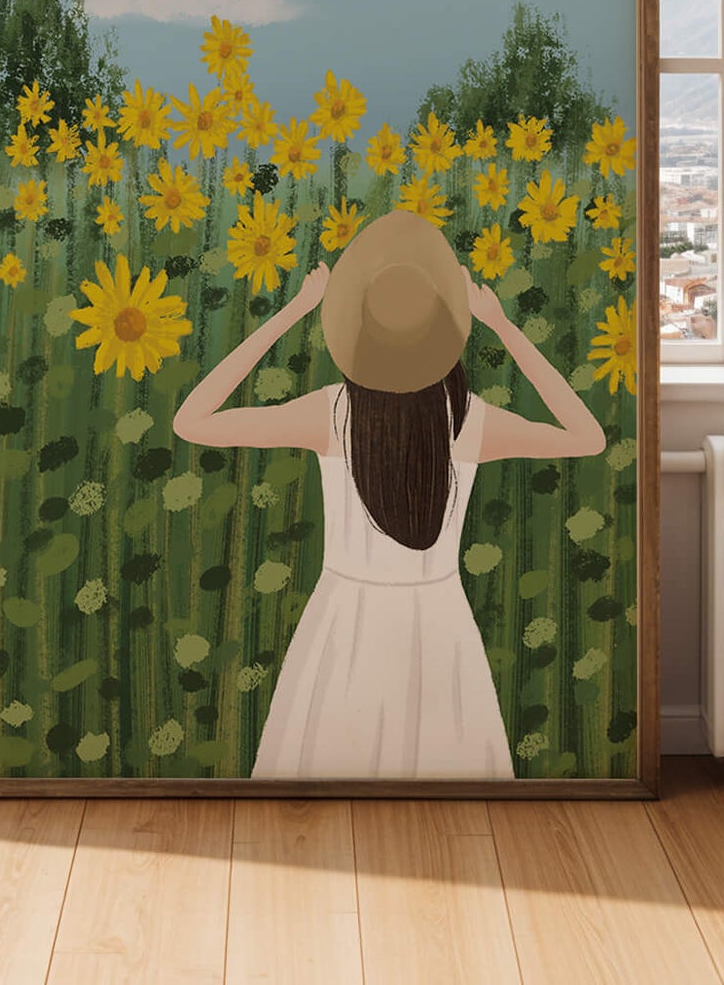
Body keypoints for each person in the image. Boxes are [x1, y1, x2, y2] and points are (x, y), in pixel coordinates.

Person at [172, 208, 606, 780]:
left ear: (357, 332)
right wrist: (504, 326)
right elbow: (588, 437)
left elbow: (191, 420)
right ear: (445, 334)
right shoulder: (468, 421)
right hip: (439, 620)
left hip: (343, 620)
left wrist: (291, 313)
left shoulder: (330, 413)